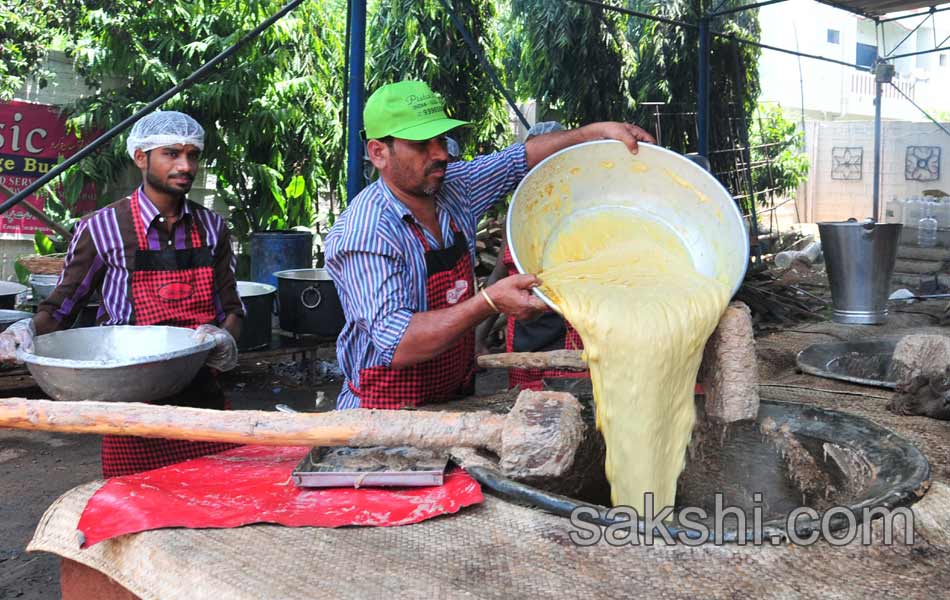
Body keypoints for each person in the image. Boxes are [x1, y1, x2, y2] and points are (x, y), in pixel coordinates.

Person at [325, 80, 655, 410]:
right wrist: (489, 301)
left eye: (441, 140)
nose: (440, 154)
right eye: (422, 145)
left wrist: (593, 134)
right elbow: (399, 345)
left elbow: (519, 159)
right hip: (382, 413)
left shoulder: (454, 188)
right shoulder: (367, 232)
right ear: (379, 152)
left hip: (452, 401)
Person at [0, 110, 245, 477]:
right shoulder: (102, 228)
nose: (185, 165)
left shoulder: (213, 228)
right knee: (135, 512)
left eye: (192, 154)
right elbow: (62, 307)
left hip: (201, 400)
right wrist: (26, 330)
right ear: (140, 157)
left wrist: (226, 336)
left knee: (212, 503)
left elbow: (232, 308)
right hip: (129, 409)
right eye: (171, 154)